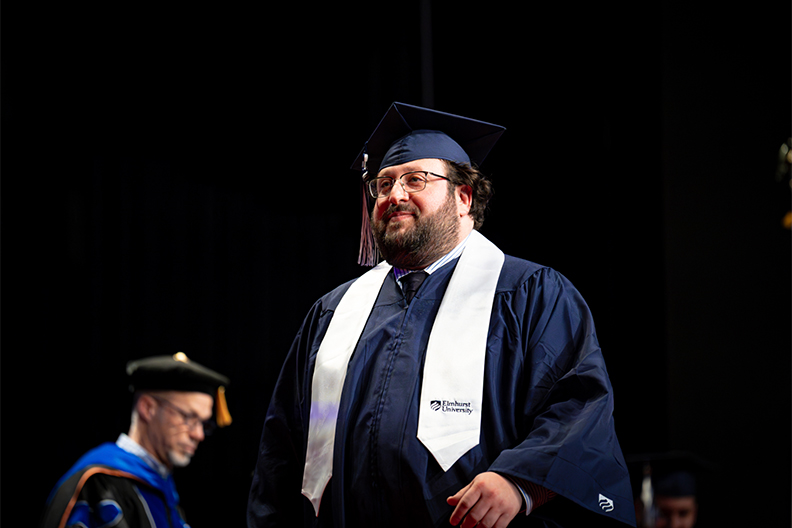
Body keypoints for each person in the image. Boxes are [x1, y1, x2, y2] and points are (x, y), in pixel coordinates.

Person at [247, 102, 636, 528]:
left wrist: (520, 482)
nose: (395, 195)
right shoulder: (334, 312)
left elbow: (577, 404)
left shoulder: (529, 294)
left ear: (463, 197)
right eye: (383, 184)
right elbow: (283, 449)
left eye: (416, 179)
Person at [40, 352, 232, 528]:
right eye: (188, 418)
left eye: (203, 424)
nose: (198, 434)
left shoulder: (162, 487)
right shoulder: (99, 484)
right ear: (148, 408)